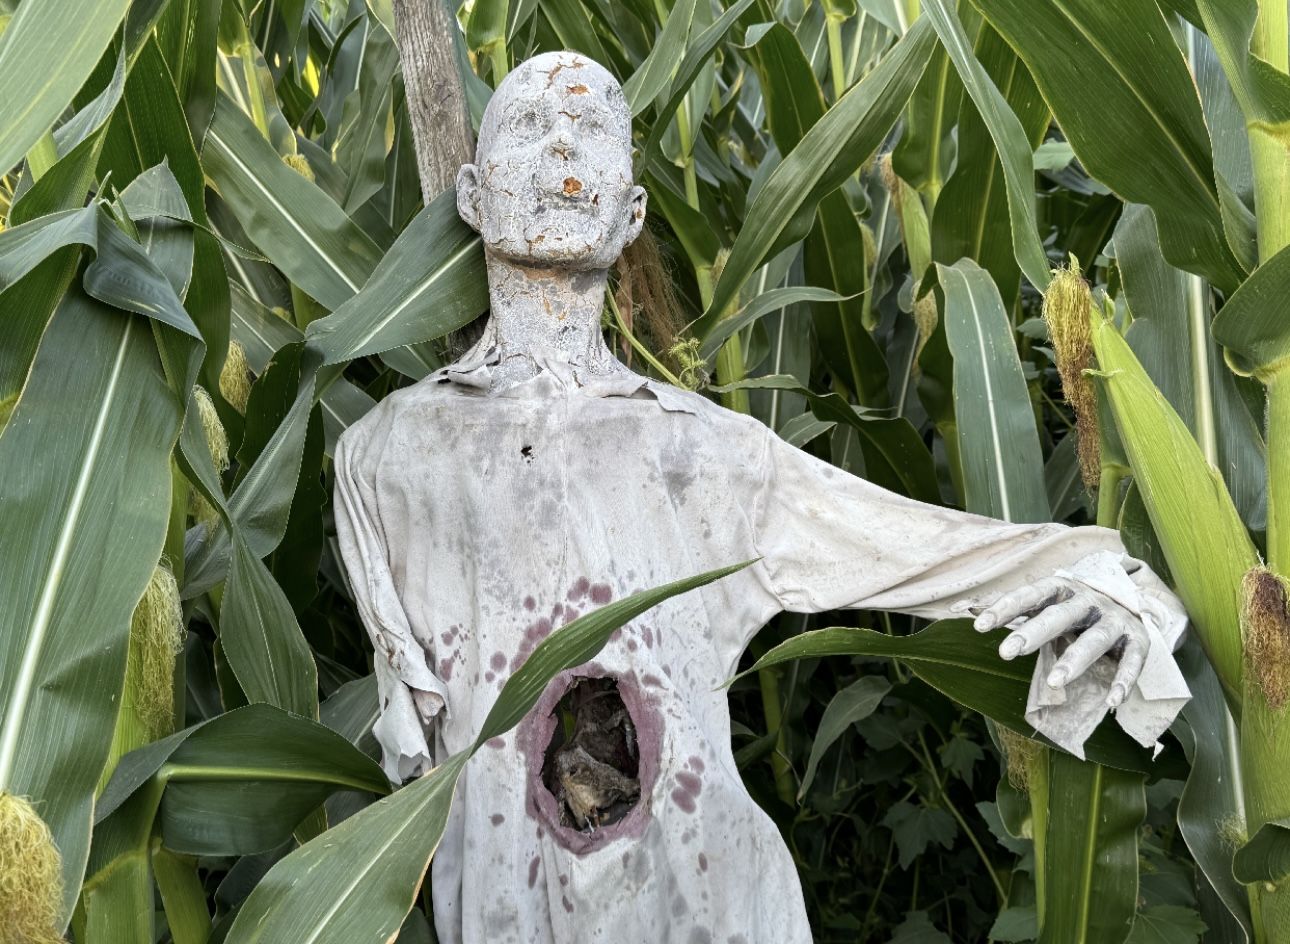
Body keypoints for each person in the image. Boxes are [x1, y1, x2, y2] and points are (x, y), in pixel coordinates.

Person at [334, 50, 1188, 944]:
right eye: (529, 128)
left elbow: (937, 554)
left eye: (589, 130)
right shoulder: (384, 459)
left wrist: (1110, 581)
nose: (559, 150)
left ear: (632, 214)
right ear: (472, 195)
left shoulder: (711, 456)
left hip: (708, 905)